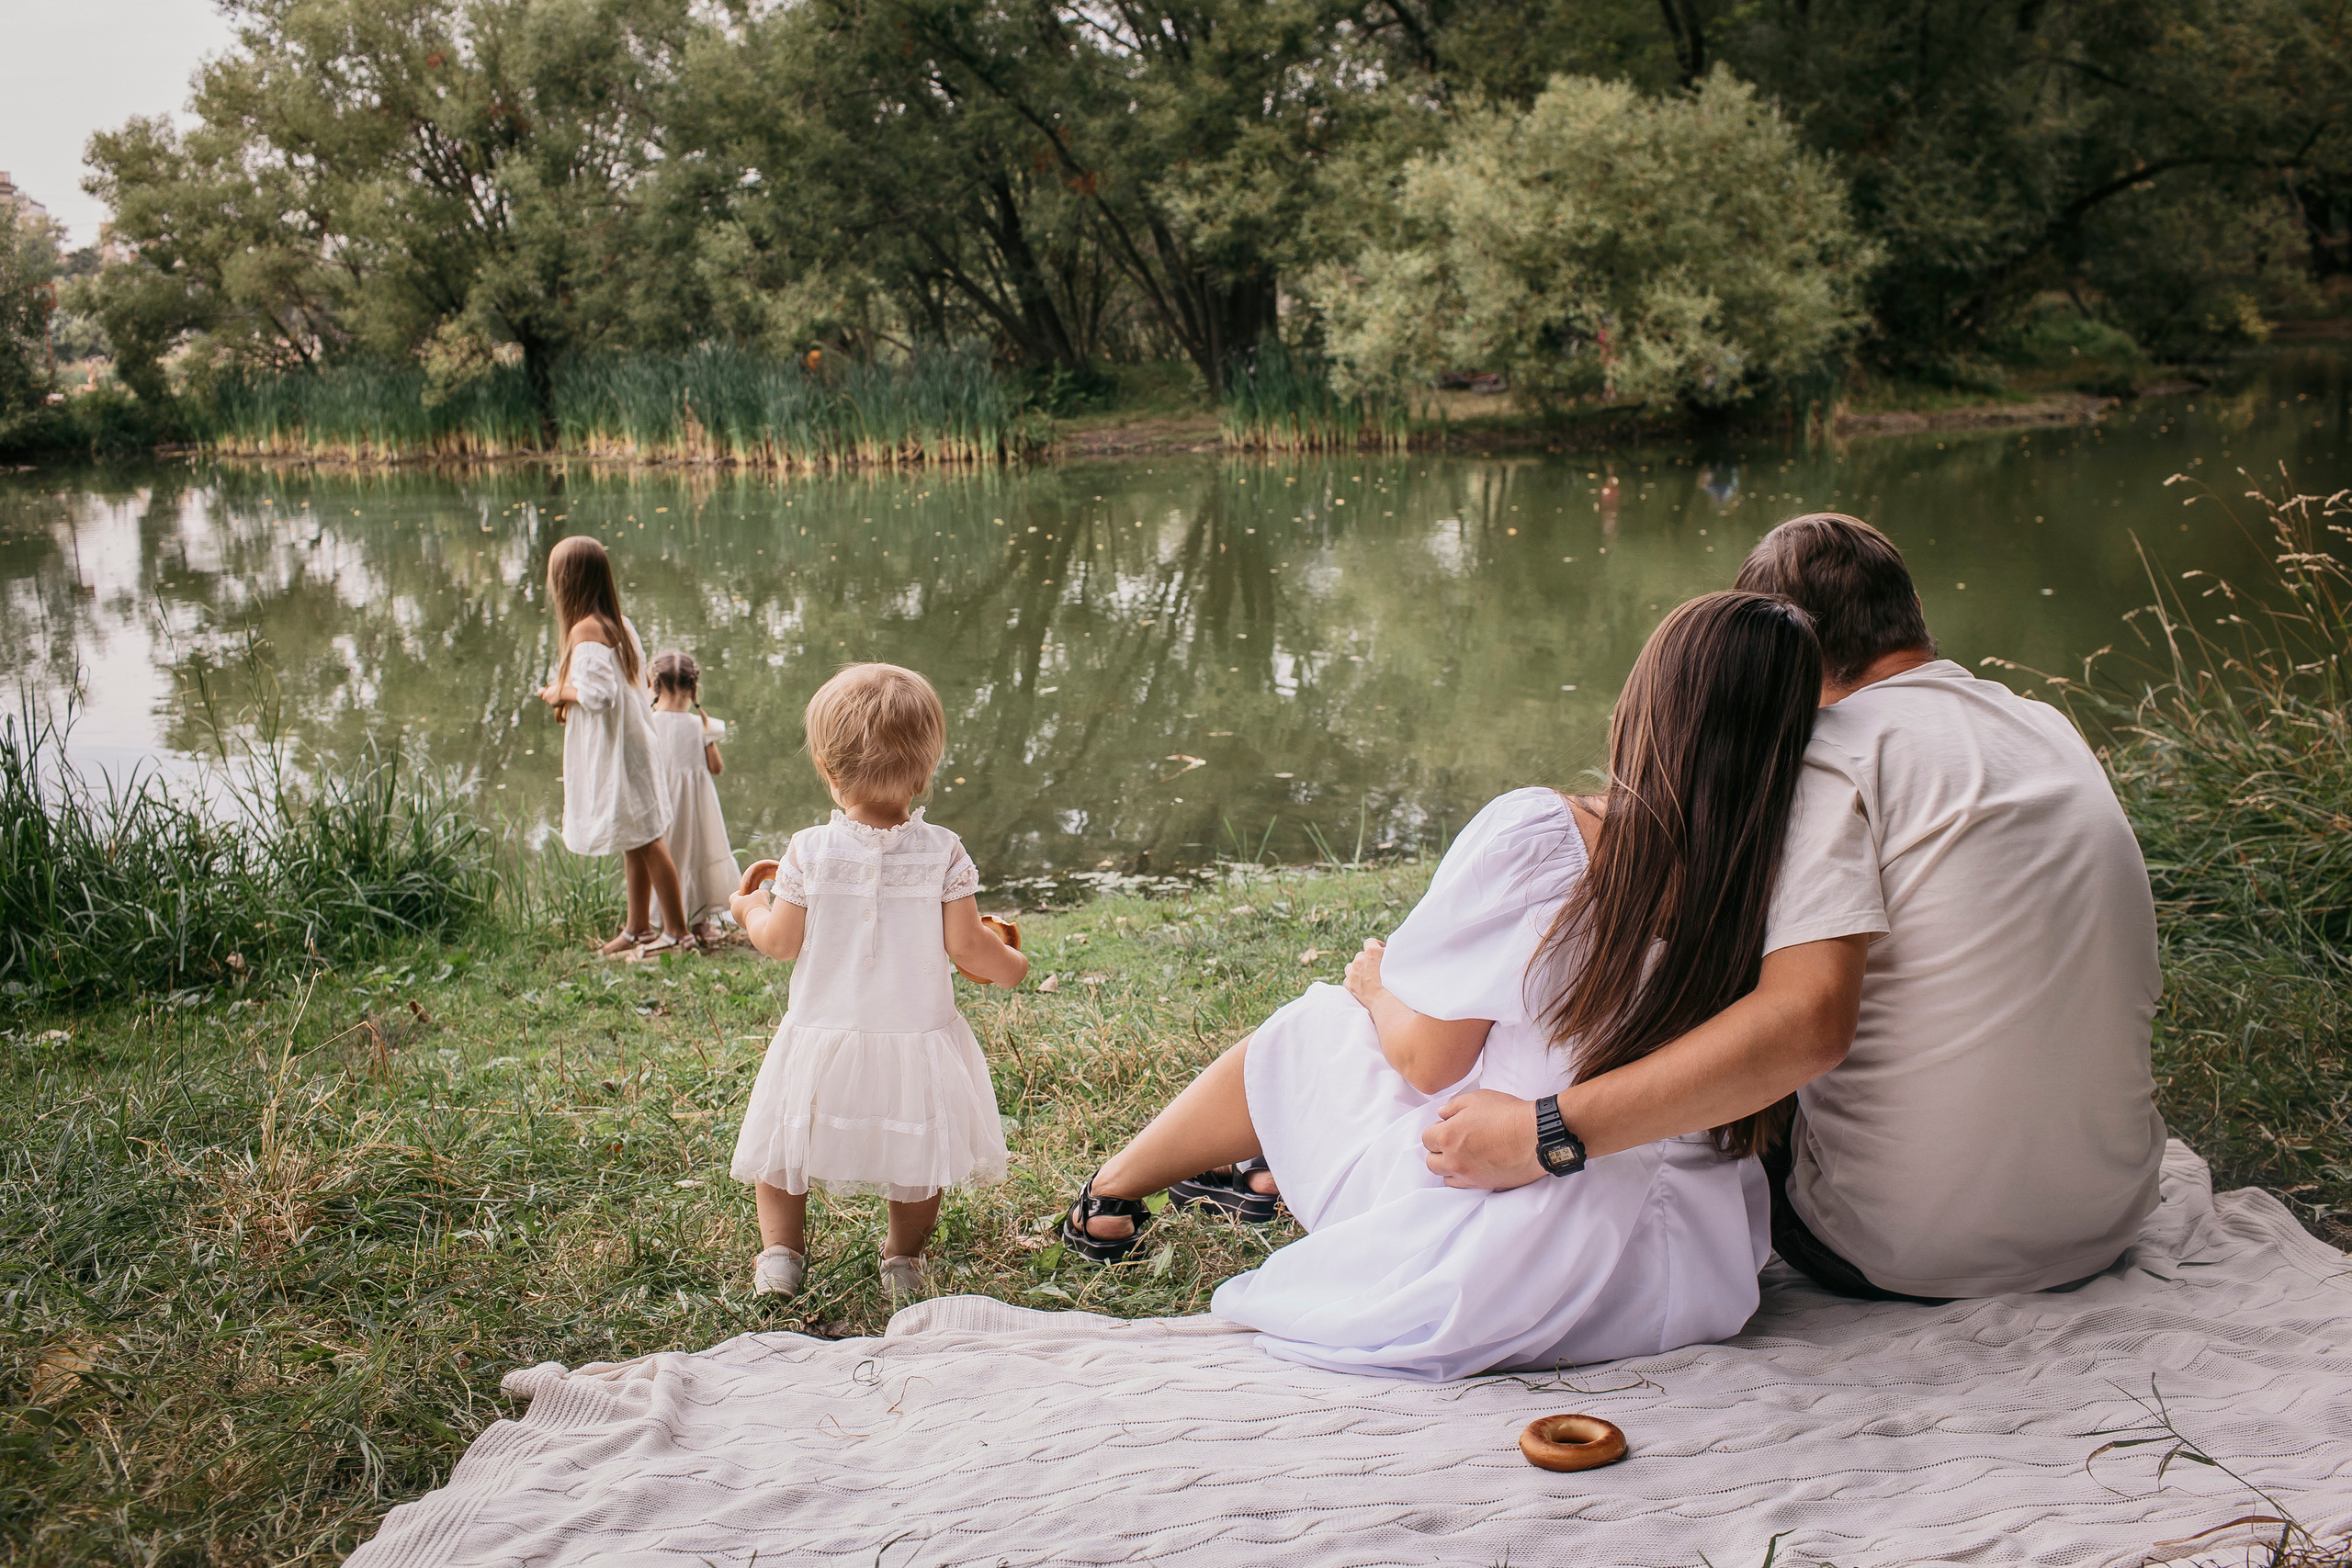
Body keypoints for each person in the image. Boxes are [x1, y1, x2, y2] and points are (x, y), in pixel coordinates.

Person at [1062, 592, 1825, 1380]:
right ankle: (1259, 1174)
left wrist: (1377, 989)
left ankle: (1110, 1194)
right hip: (1690, 1272)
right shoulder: (1787, 881)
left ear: (1647, 704)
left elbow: (1429, 1061)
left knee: (1323, 1024)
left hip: (1516, 1256)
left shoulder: (1547, 838)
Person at [1421, 513, 2164, 1303]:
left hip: (1908, 1248)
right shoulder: (2043, 724)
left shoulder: (1824, 755)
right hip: (2106, 1217)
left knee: (1679, 1071)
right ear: (1908, 612)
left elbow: (1805, 1024)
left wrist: (1546, 1134)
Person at [727, 663, 1027, 1301]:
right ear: (924, 772)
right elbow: (969, 945)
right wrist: (1015, 965)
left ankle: (780, 1254)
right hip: (914, 1036)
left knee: (789, 1144)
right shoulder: (943, 850)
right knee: (914, 1156)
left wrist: (749, 907)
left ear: (828, 770)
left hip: (822, 1033)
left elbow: (780, 940)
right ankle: (902, 1260)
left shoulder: (807, 850)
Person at [537, 536, 692, 957]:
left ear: (568, 581)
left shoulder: (585, 631)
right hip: (631, 745)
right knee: (635, 834)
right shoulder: (619, 625)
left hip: (617, 754)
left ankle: (678, 933)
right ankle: (638, 927)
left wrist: (558, 693)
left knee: (646, 839)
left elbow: (600, 694)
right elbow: (633, 685)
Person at [648, 650, 739, 946]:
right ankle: (699, 921)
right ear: (693, 687)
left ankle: (663, 918)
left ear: (654, 683)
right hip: (696, 804)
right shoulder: (700, 724)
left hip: (658, 800)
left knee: (665, 853)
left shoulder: (647, 722)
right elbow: (716, 768)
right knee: (698, 853)